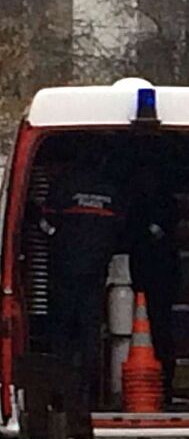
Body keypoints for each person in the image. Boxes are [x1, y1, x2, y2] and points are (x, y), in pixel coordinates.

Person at [43, 147, 124, 410]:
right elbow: (120, 230)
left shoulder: (63, 186)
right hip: (95, 273)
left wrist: (57, 237)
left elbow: (44, 222)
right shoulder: (111, 191)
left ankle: (60, 399)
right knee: (91, 333)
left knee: (61, 334)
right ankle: (90, 398)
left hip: (63, 270)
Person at [127, 165, 180, 401]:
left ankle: (161, 386)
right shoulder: (166, 206)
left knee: (155, 330)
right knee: (161, 330)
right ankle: (164, 387)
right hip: (159, 280)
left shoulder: (139, 209)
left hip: (144, 279)